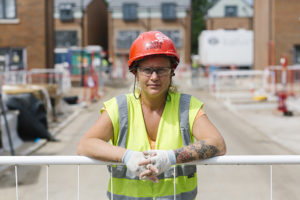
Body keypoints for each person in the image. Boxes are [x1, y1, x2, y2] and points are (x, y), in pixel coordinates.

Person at [77, 31, 226, 199]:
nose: (154, 77)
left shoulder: (187, 107)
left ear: (172, 72)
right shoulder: (119, 108)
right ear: (135, 72)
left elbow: (218, 144)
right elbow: (85, 144)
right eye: (147, 70)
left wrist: (171, 157)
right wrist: (126, 156)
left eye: (161, 70)